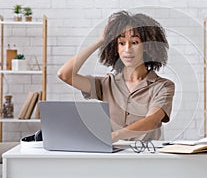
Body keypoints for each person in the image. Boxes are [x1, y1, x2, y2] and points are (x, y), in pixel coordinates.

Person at [57, 10, 175, 142]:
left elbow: (152, 121)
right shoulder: (106, 84)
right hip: (112, 157)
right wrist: (101, 40)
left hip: (147, 157)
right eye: (121, 43)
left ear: (147, 46)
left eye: (135, 42)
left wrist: (115, 136)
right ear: (116, 48)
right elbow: (64, 74)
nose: (127, 49)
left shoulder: (163, 86)